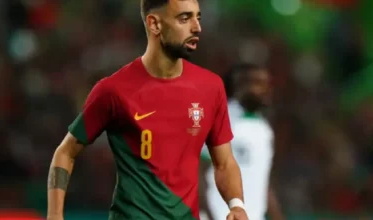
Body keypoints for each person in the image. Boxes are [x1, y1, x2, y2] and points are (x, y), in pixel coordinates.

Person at [46, 1, 249, 220]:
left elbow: (224, 162)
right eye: (184, 18)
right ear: (154, 24)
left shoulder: (211, 87)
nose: (196, 27)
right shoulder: (113, 90)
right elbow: (65, 152)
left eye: (198, 18)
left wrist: (236, 205)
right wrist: (55, 215)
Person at [200, 63, 285, 220]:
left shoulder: (263, 129)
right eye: (256, 83)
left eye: (265, 84)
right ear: (239, 86)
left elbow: (262, 182)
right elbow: (198, 173)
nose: (262, 89)